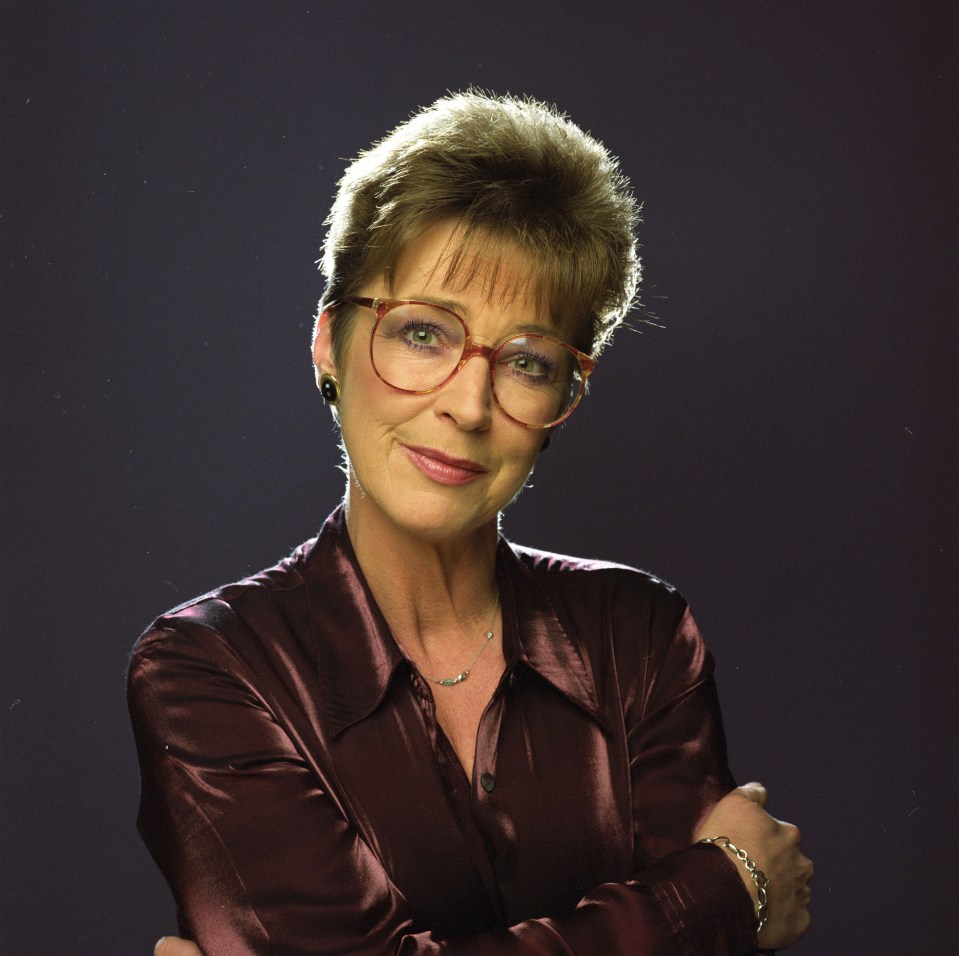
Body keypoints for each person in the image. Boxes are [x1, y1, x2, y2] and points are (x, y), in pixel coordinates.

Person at [129, 91, 812, 955]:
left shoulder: (637, 634)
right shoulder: (210, 667)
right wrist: (723, 893)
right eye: (422, 334)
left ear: (568, 393)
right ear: (328, 341)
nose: (468, 403)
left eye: (526, 361)